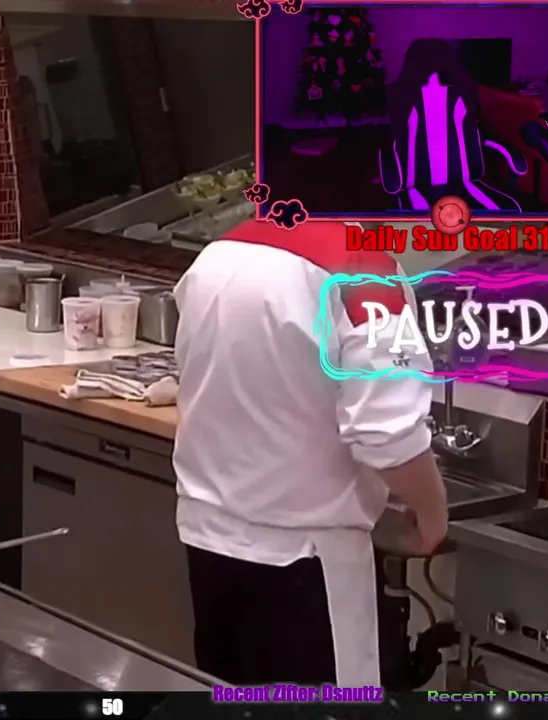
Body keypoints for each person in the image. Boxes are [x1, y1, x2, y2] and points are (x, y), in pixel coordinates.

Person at [170, 220, 449, 687]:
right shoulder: (363, 267)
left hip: (209, 547)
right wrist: (432, 514)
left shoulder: (220, 252)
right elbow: (388, 434)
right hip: (306, 564)